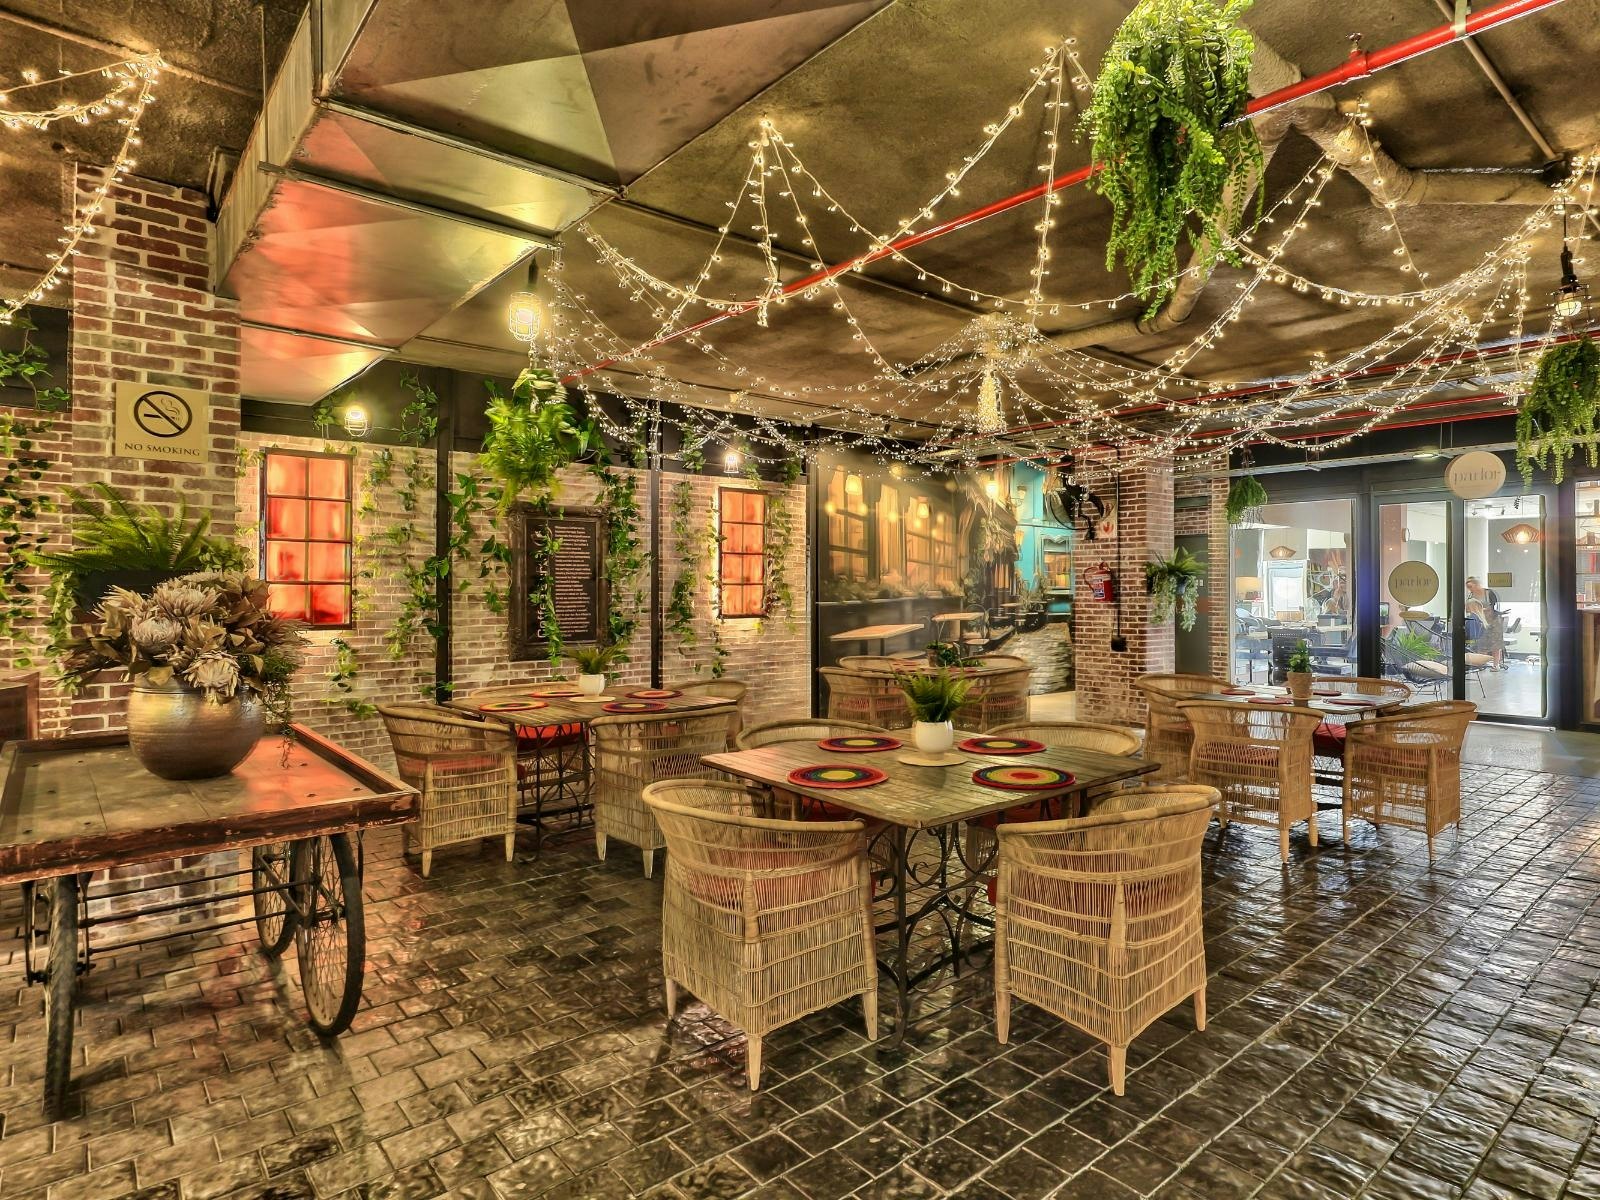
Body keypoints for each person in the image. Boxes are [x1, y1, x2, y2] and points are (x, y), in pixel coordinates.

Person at [1466, 576, 1505, 669]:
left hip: (1494, 620)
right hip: (1481, 621)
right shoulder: (1471, 596)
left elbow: (1494, 606)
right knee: (1482, 643)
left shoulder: (1489, 593)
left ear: (1477, 584)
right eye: (1468, 587)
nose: (1470, 589)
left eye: (1471, 586)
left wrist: (1483, 610)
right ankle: (1481, 664)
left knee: (1495, 643)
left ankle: (1496, 665)